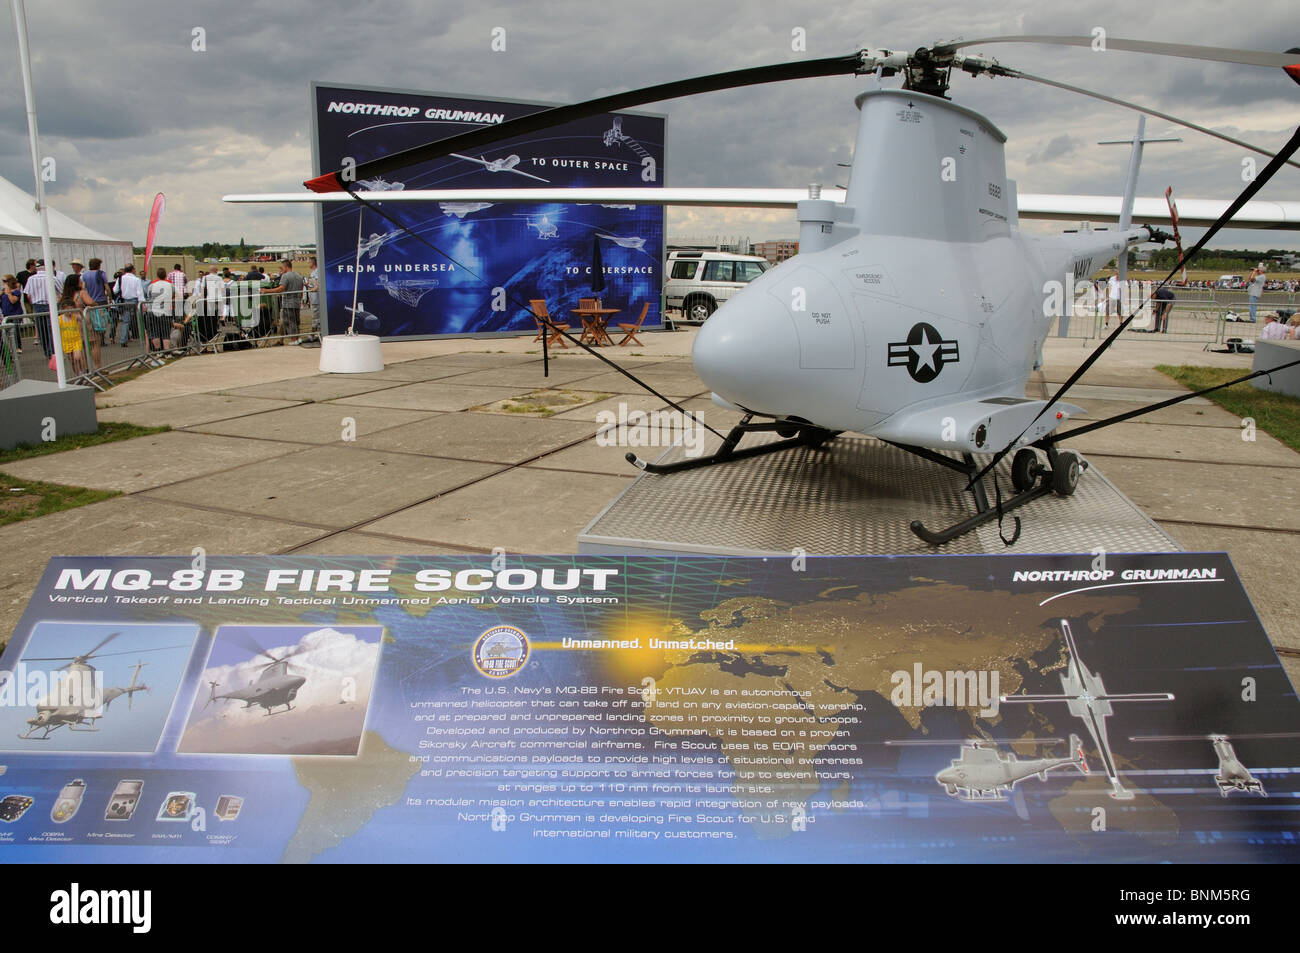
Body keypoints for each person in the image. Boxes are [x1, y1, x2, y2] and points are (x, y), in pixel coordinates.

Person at [262, 260, 303, 343]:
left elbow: (281, 288)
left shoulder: (285, 276)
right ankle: (297, 338)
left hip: (288, 303)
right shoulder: (299, 276)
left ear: (285, 267)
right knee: (296, 321)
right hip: (297, 302)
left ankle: (294, 339)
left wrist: (267, 291)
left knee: (289, 322)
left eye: (282, 267)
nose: (282, 269)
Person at [23, 260, 57, 358]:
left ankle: (47, 352)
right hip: (50, 305)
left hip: (37, 306)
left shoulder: (31, 279)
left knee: (42, 330)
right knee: (51, 329)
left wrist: (33, 303)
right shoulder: (52, 278)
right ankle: (53, 352)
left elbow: (28, 295)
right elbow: (60, 291)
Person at [80, 257, 111, 367]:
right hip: (101, 300)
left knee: (92, 322)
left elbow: (83, 288)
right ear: (98, 265)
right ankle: (100, 337)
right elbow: (107, 287)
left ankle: (98, 336)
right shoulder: (101, 274)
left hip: (90, 301)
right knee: (101, 321)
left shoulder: (85, 275)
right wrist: (110, 299)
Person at [56, 274, 87, 376]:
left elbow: (81, 319)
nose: (69, 311)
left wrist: (78, 315)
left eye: (71, 309)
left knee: (78, 357)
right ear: (63, 310)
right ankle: (78, 373)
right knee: (72, 360)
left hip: (76, 340)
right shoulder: (59, 319)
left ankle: (84, 371)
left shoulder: (75, 316)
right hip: (66, 342)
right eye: (67, 310)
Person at [147, 266, 179, 352]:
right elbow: (178, 295)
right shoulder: (170, 285)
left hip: (153, 311)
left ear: (157, 276)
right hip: (166, 311)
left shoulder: (151, 285)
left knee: (154, 333)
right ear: (165, 276)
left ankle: (157, 352)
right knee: (165, 333)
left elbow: (149, 296)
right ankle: (167, 351)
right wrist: (171, 299)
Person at [192, 264, 225, 345]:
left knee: (207, 321)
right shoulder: (219, 278)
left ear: (210, 271)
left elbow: (203, 290)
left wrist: (201, 300)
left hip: (208, 301)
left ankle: (207, 339)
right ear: (216, 271)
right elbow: (223, 290)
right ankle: (212, 338)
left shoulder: (205, 278)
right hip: (217, 301)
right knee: (214, 321)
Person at [113, 264, 143, 346]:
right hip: (134, 300)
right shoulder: (136, 279)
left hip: (124, 301)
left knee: (125, 321)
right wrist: (142, 303)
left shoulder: (120, 278)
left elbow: (115, 290)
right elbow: (139, 292)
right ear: (133, 270)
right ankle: (142, 338)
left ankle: (123, 340)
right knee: (138, 320)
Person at [1, 275, 23, 355]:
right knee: (6, 333)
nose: (3, 283)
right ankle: (10, 348)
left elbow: (13, 301)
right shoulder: (3, 292)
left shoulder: (16, 292)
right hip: (6, 315)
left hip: (15, 314)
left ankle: (18, 347)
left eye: (5, 281)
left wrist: (9, 293)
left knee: (15, 331)